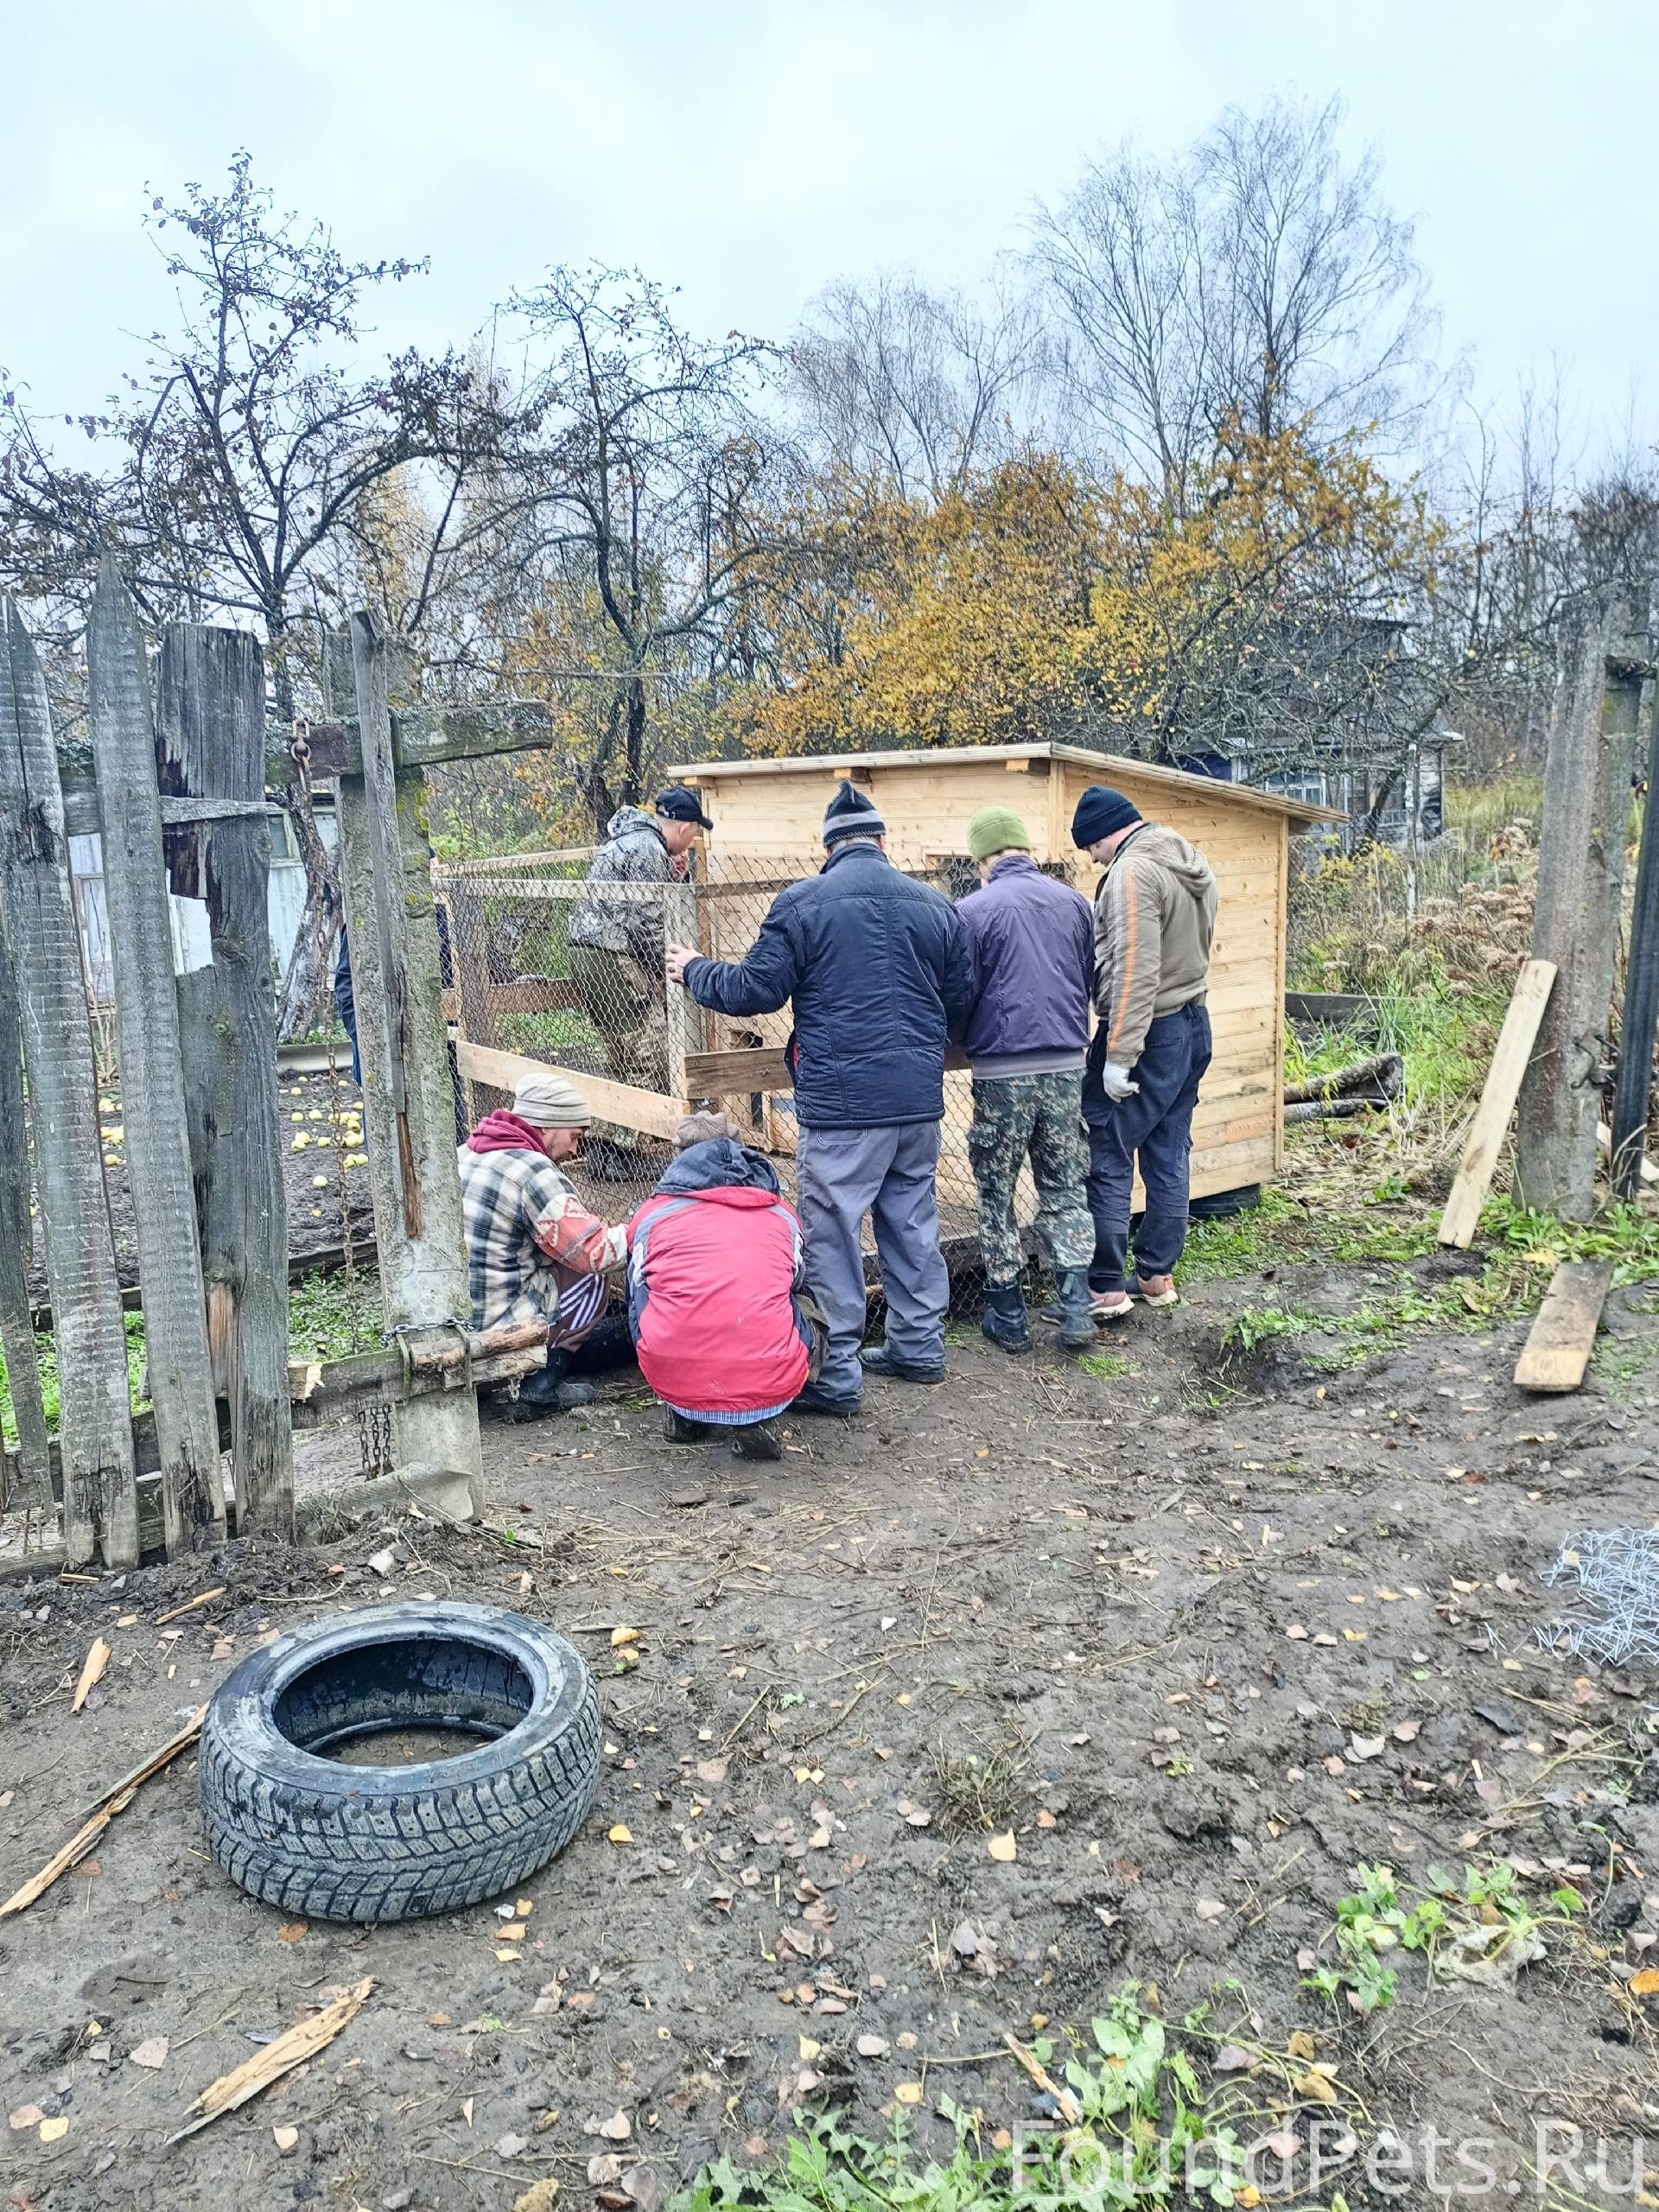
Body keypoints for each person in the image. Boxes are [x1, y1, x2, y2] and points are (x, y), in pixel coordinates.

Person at [665, 779, 971, 1417]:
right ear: (883, 841)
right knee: (912, 1221)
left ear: (826, 848)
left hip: (842, 1106)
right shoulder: (936, 906)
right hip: (917, 1102)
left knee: (829, 1233)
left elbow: (755, 990)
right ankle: (919, 1347)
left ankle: (836, 1374)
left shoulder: (803, 904)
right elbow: (962, 1001)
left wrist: (694, 967)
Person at [1071, 785, 1217, 1320]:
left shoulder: (1133, 874)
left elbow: (1136, 969)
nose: (1090, 857)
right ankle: (1156, 1274)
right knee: (1168, 1150)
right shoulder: (1185, 855)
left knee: (1106, 1148)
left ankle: (1106, 1287)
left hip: (1148, 1032)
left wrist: (1118, 1055)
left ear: (1107, 832)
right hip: (1193, 1023)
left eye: (1090, 845)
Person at [957, 808, 1097, 1355]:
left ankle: (1008, 1314)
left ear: (983, 859)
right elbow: (1090, 975)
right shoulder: (1075, 902)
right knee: (1065, 1186)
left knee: (997, 1192)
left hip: (1002, 1071)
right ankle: (1076, 1305)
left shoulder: (970, 910)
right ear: (1024, 850)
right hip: (1067, 1065)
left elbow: (961, 990)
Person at [626, 1112, 819, 1461]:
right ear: (741, 1152)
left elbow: (638, 1279)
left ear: (680, 1157)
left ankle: (683, 1413)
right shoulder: (781, 1214)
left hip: (672, 1368)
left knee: (643, 1291)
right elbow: (798, 1280)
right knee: (796, 1295)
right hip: (771, 1377)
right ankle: (761, 1414)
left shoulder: (650, 1217)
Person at [457, 1069, 632, 1417]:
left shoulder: (466, 1152)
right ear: (547, 1126)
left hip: (461, 1323)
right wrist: (646, 1227)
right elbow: (595, 1252)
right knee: (592, 1273)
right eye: (574, 1135)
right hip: (504, 1332)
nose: (575, 1148)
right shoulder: (534, 1171)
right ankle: (540, 1384)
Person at [568, 786, 712, 1094]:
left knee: (622, 1052)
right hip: (610, 953)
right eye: (694, 834)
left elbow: (637, 905)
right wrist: (669, 970)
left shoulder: (627, 840)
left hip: (586, 949)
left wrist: (673, 878)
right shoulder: (649, 849)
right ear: (684, 828)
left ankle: (620, 1134)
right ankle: (650, 1136)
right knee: (653, 1051)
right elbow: (645, 923)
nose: (690, 844)